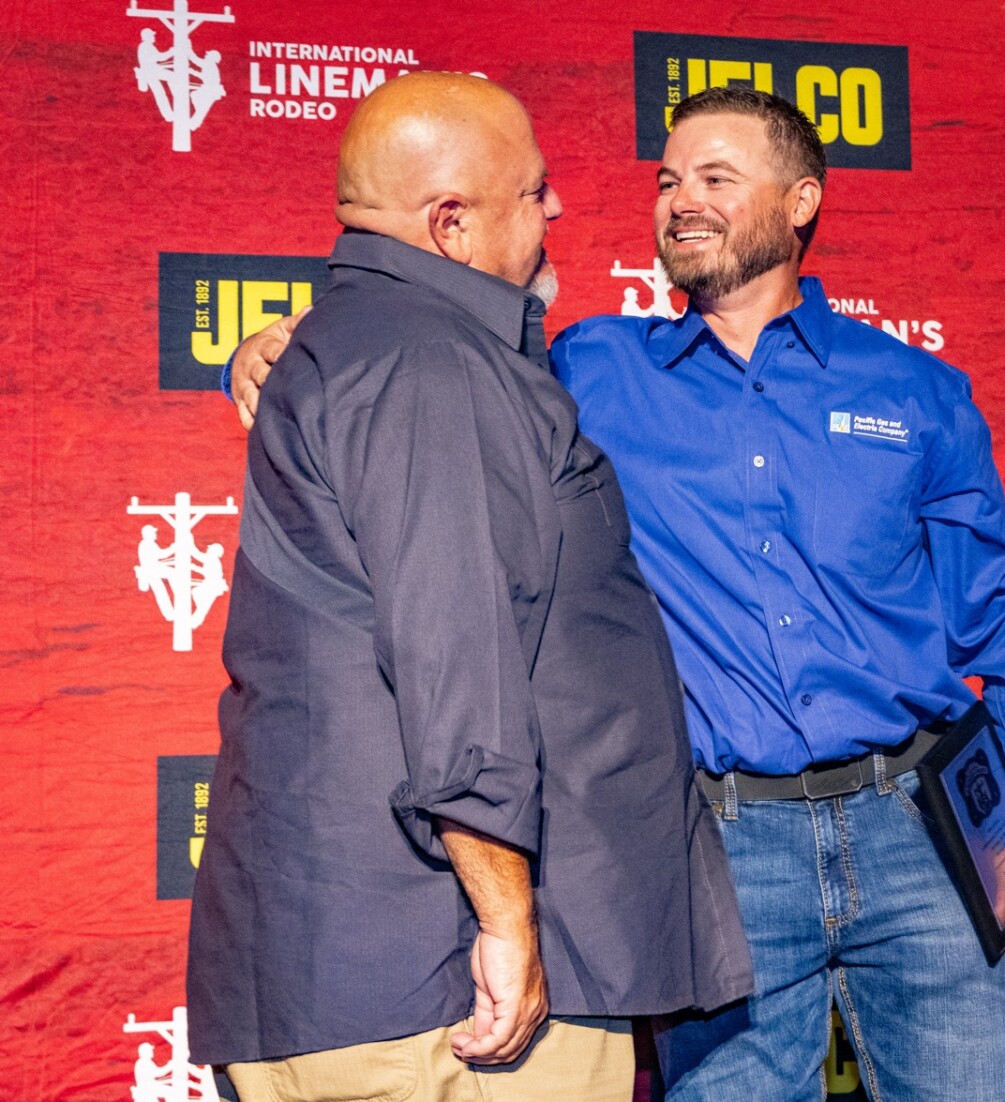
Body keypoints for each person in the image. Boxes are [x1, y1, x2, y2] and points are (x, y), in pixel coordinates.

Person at [229, 87, 1005, 1101]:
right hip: (724, 849)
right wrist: (277, 351)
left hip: (922, 837)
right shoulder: (587, 369)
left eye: (717, 178)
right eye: (668, 180)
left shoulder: (913, 389)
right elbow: (416, 347)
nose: (681, 200)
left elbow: (1003, 604)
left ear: (802, 200)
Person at [189, 72, 751, 1102]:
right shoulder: (432, 367)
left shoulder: (363, 345)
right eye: (534, 191)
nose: (558, 210)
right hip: (442, 986)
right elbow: (457, 663)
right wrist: (506, 922)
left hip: (363, 973)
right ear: (449, 223)